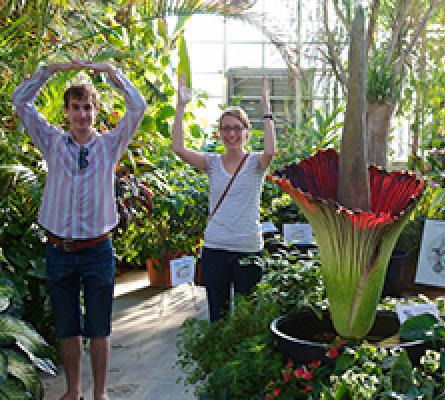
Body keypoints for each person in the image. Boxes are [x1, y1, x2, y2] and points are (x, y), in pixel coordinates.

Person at [11, 61, 147, 400]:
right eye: (76, 108)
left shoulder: (110, 145)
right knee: (67, 328)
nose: (82, 115)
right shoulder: (52, 143)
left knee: (99, 327)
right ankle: (73, 392)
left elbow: (138, 106)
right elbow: (20, 102)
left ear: (95, 112)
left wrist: (110, 70)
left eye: (88, 108)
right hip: (59, 250)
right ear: (67, 112)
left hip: (98, 250)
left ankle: (99, 393)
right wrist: (47, 71)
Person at [172, 73, 276, 322]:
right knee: (218, 315)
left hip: (248, 248)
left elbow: (271, 151)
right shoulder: (211, 163)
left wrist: (267, 110)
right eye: (226, 129)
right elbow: (178, 148)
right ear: (219, 133)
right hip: (215, 248)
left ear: (246, 132)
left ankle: (240, 362)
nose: (231, 134)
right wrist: (180, 107)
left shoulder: (255, 163)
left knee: (245, 317)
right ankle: (218, 361)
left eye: (237, 128)